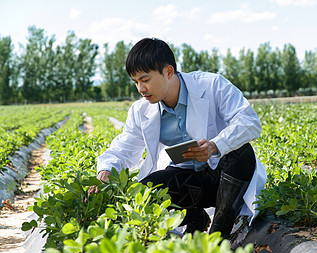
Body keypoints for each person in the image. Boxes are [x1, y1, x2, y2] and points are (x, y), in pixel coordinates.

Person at [89, 38, 266, 239]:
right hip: (192, 182)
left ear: (169, 72)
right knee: (148, 191)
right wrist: (105, 170)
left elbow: (249, 121)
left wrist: (215, 146)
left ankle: (218, 238)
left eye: (145, 80)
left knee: (240, 151)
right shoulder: (141, 111)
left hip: (225, 177)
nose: (140, 89)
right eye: (136, 82)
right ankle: (194, 218)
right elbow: (123, 149)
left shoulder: (212, 85)